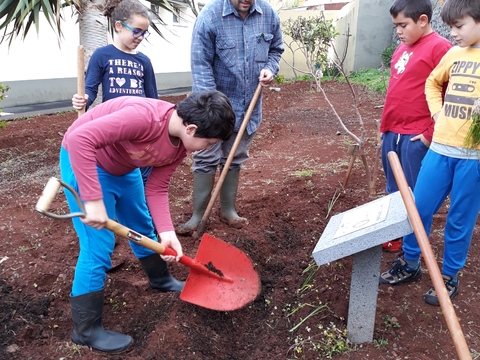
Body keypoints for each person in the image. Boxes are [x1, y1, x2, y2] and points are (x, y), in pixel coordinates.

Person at [61, 91, 235, 353]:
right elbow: (78, 139)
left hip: (124, 167)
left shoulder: (180, 143)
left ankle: (160, 279)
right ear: (191, 128)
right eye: (209, 143)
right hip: (87, 162)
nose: (209, 149)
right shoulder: (143, 118)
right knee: (98, 245)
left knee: (142, 224)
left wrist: (167, 232)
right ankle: (85, 331)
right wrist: (94, 200)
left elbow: (157, 187)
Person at [379, 0, 480, 306]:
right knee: (417, 208)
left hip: (473, 159)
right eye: (450, 26)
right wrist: (437, 115)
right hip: (439, 150)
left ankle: (449, 276)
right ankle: (410, 263)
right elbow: (432, 84)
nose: (452, 33)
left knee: (460, 218)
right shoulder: (454, 54)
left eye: (459, 26)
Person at [176, 0, 284, 235]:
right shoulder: (209, 17)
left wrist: (270, 68)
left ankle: (227, 211)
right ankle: (197, 216)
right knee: (206, 157)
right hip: (214, 109)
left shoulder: (268, 15)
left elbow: (276, 49)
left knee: (235, 158)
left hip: (248, 106)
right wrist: (213, 112)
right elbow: (201, 65)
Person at [380, 0, 452, 252]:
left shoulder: (441, 48)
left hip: (415, 136)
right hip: (393, 132)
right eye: (395, 26)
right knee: (394, 189)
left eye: (403, 25)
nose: (398, 31)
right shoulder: (402, 47)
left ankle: (413, 247)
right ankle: (397, 236)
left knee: (415, 195)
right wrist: (386, 129)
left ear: (422, 20)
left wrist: (429, 135)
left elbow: (449, 96)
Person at [72, 0, 158, 183]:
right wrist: (83, 100)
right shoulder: (102, 55)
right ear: (118, 26)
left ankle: (139, 204)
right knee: (115, 167)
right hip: (114, 125)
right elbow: (90, 90)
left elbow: (153, 99)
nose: (140, 37)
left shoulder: (145, 61)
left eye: (144, 33)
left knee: (141, 172)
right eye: (136, 31)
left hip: (140, 127)